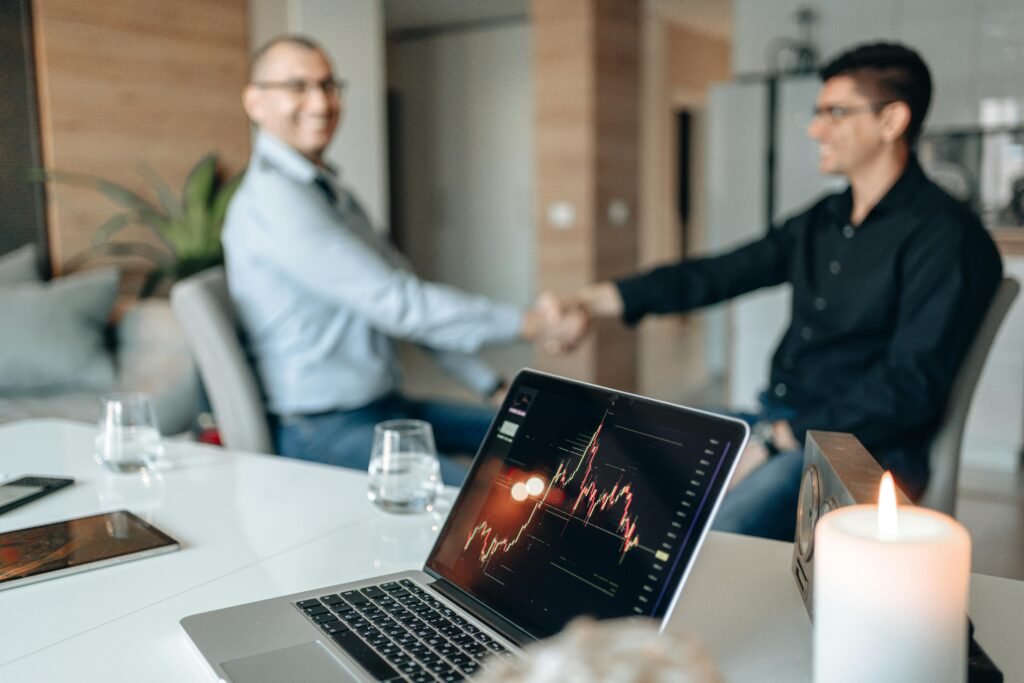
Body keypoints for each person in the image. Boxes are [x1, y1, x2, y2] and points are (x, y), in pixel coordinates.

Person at [554, 42, 1003, 540]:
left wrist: (775, 441)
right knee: (612, 453)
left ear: (892, 120)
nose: (815, 130)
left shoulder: (946, 236)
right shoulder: (824, 219)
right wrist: (590, 301)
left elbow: (908, 387)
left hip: (860, 452)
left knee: (710, 536)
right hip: (775, 420)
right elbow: (719, 273)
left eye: (834, 113)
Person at [224, 35, 580, 484]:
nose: (320, 102)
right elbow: (401, 304)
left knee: (545, 437)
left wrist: (490, 386)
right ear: (255, 102)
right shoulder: (275, 202)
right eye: (297, 86)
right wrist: (534, 323)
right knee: (478, 499)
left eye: (329, 85)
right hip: (324, 429)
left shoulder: (329, 193)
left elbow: (404, 296)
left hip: (388, 408)